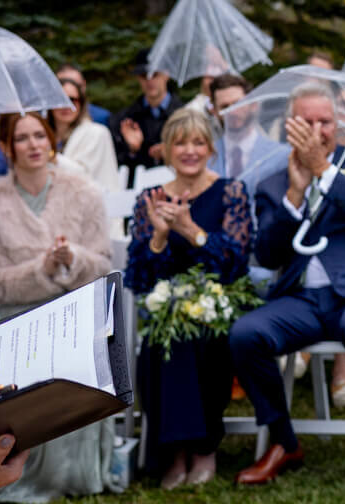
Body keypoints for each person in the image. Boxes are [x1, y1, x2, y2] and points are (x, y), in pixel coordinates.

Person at [228, 83, 345, 491]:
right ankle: (283, 440)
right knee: (245, 334)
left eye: (324, 121)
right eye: (306, 121)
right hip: (304, 302)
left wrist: (324, 172)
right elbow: (268, 255)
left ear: (337, 123)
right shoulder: (274, 182)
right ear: (289, 126)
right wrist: (294, 194)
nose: (317, 130)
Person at [0, 112, 117, 501]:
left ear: (51, 141)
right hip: (16, 317)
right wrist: (40, 268)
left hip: (73, 313)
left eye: (39, 136)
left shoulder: (84, 192)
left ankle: (74, 473)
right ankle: (14, 473)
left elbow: (103, 265)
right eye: (22, 138)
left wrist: (72, 256)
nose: (33, 145)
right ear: (6, 147)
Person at [124, 108, 253, 490]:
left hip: (219, 305)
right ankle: (174, 454)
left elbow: (235, 263)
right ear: (166, 149)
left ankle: (201, 449)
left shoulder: (231, 192)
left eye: (198, 142)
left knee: (197, 340)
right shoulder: (151, 199)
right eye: (180, 142)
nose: (190, 150)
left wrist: (192, 230)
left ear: (211, 148)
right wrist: (161, 235)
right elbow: (140, 277)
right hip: (166, 305)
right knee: (161, 342)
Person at [109, 48, 183, 183]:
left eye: (154, 74)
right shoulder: (125, 119)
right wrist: (132, 150)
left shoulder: (184, 115)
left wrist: (172, 151)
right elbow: (115, 167)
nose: (149, 80)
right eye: (144, 75)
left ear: (166, 74)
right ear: (138, 78)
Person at [47, 76, 120, 193]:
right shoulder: (43, 136)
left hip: (92, 203)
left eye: (72, 100)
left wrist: (50, 156)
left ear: (81, 103)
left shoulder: (96, 132)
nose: (67, 105)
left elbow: (83, 176)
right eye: (60, 99)